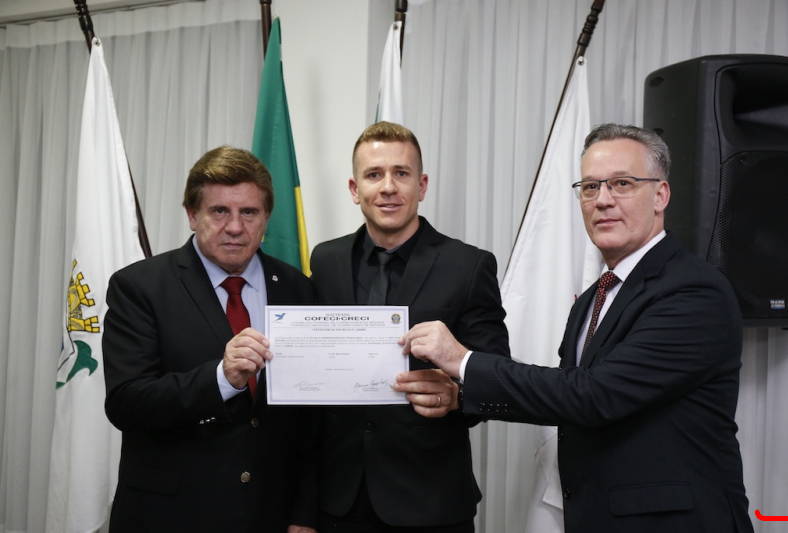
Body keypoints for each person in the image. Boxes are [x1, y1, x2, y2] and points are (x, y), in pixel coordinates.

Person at [397, 124, 753, 533]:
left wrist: (464, 361)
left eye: (622, 183)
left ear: (660, 195)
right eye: (590, 187)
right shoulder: (592, 299)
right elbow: (567, 399)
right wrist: (461, 396)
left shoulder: (693, 290)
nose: (603, 200)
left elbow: (594, 396)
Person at [103, 146, 318, 533]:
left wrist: (305, 513)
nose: (235, 227)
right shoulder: (140, 287)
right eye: (219, 211)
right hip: (171, 516)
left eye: (248, 212)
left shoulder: (297, 288)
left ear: (266, 217)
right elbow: (126, 403)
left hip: (271, 514)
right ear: (192, 215)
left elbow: (312, 418)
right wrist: (221, 379)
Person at [310, 121, 510, 532]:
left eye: (401, 173)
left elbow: (497, 377)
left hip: (430, 502)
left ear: (422, 185)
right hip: (339, 501)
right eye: (374, 174)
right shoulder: (325, 261)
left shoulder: (468, 265)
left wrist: (456, 396)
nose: (388, 187)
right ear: (354, 189)